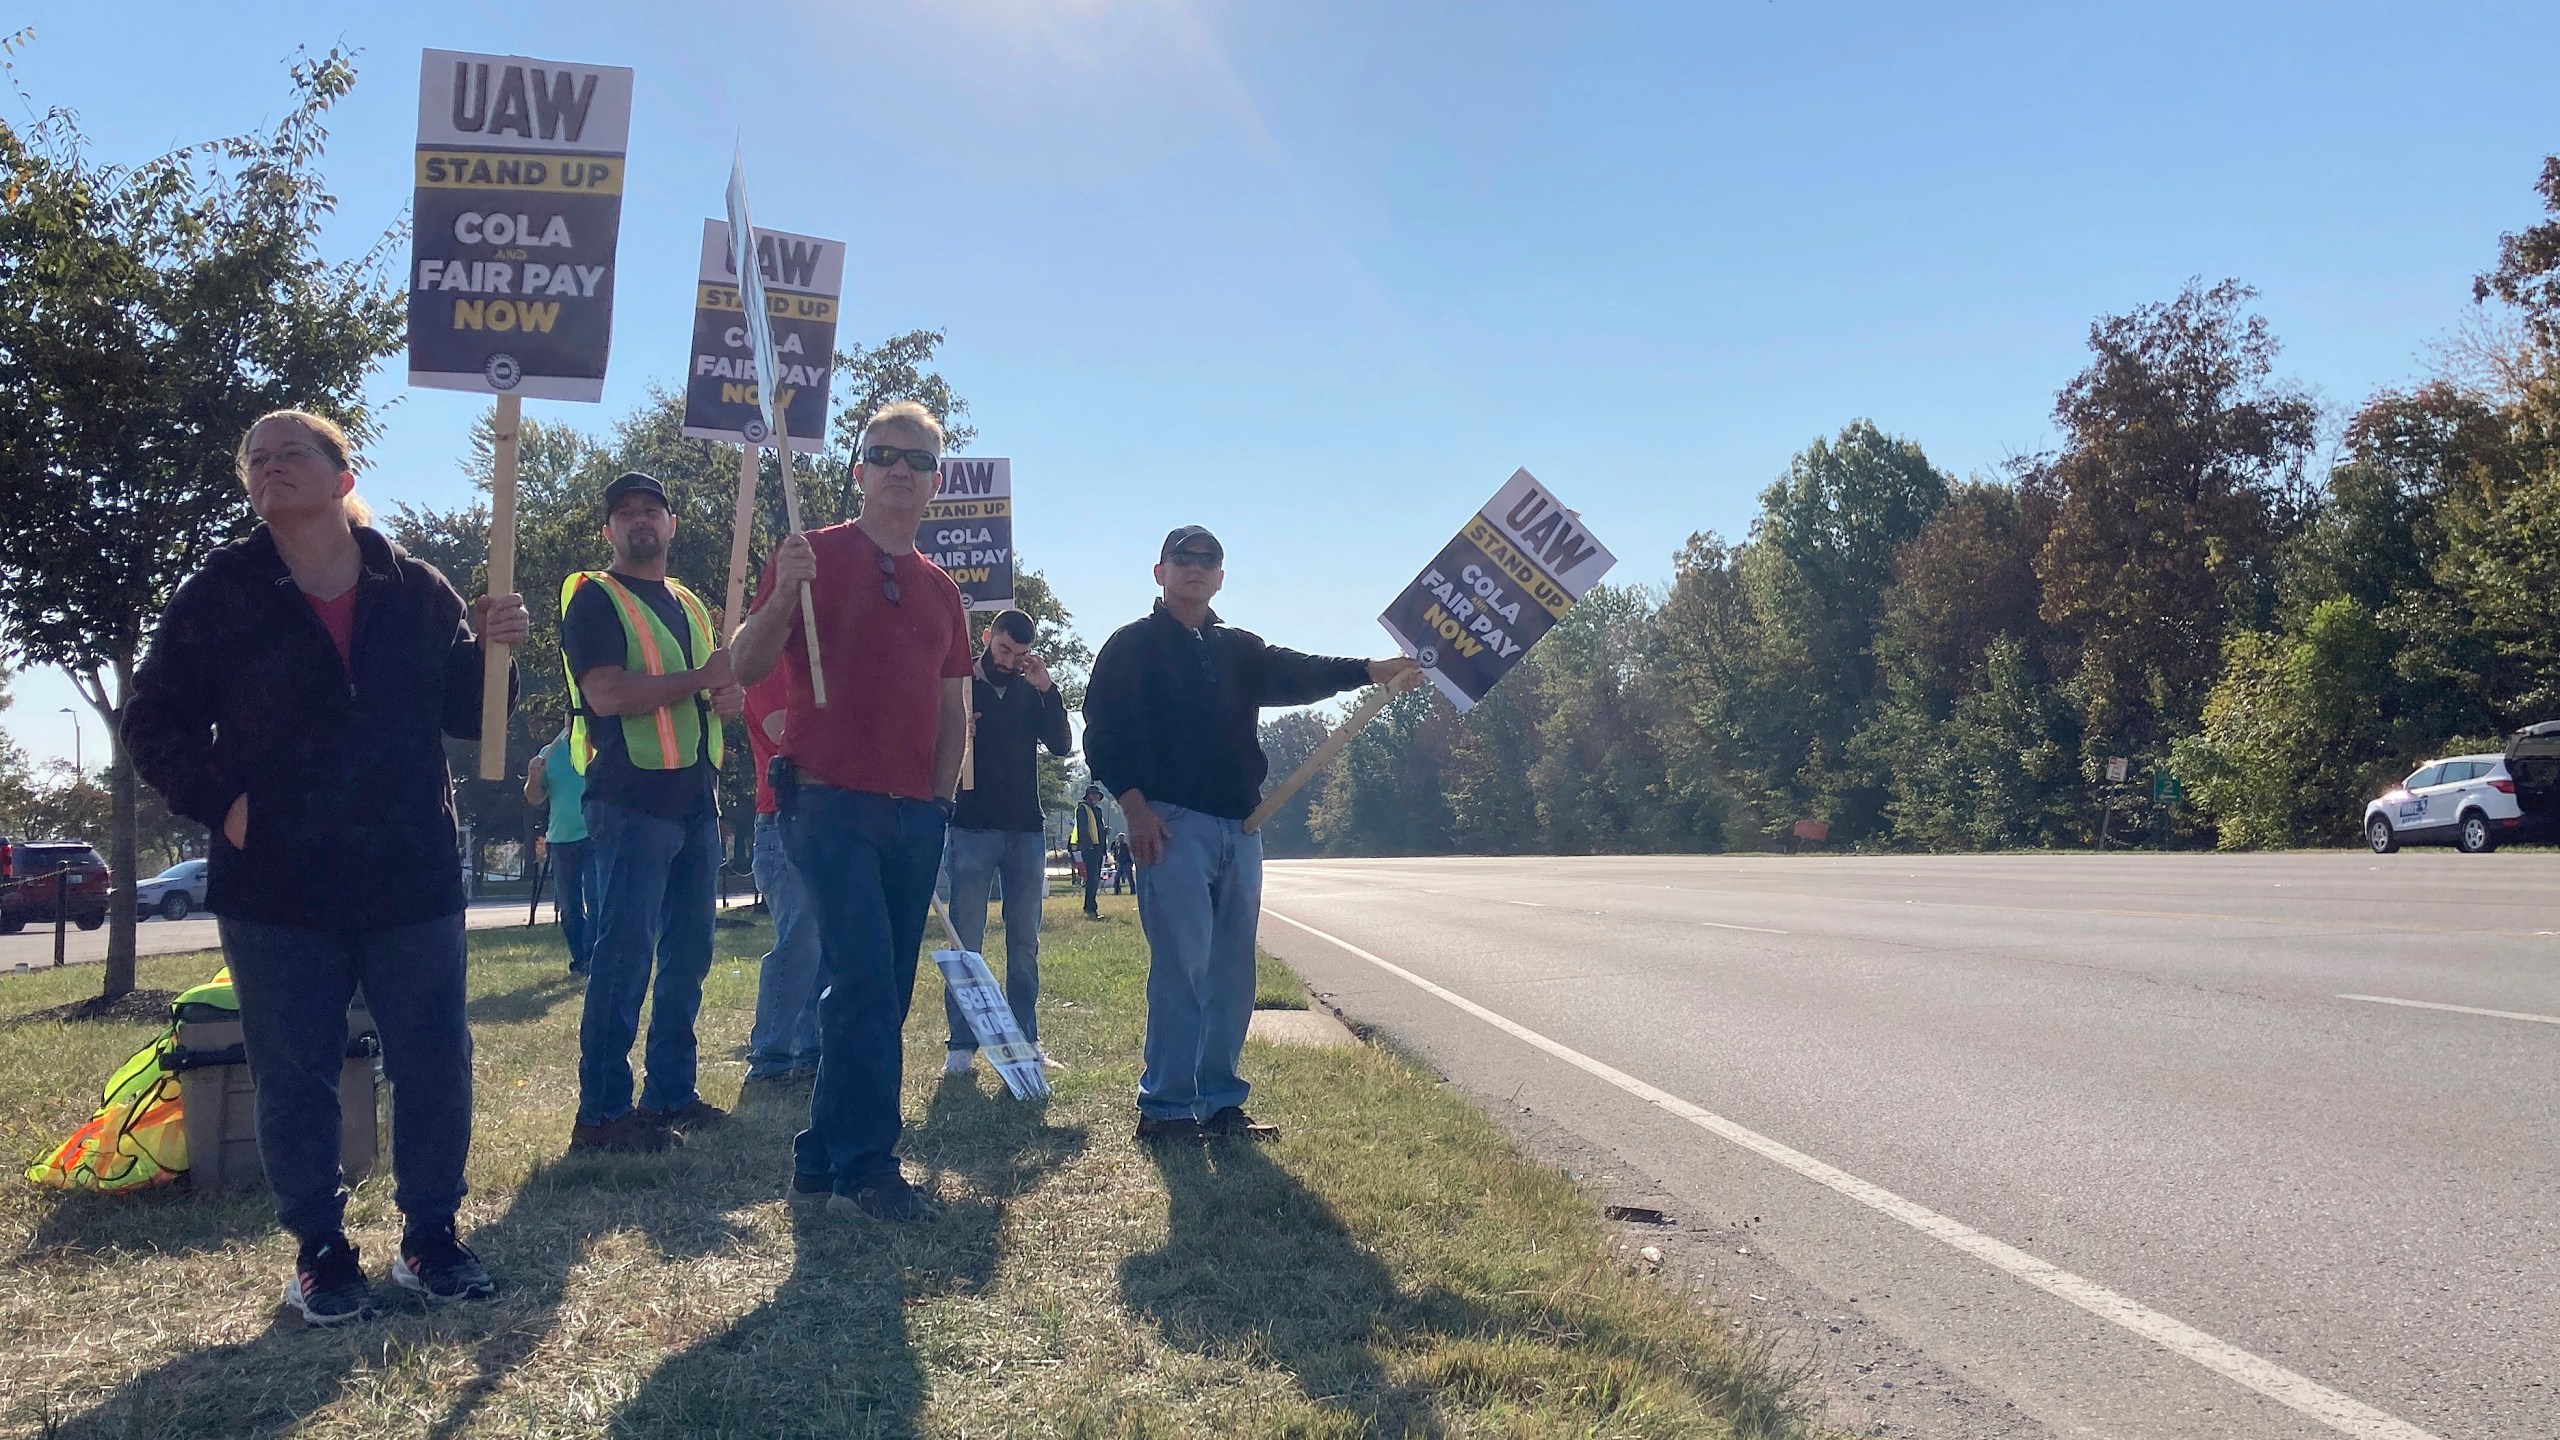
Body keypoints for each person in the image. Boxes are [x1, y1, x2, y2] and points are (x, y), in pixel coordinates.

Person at [124, 409, 528, 1325]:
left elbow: (472, 714)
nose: (269, 468)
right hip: (277, 882)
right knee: (294, 1070)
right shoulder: (220, 592)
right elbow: (155, 721)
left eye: (290, 452)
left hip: (407, 869)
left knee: (433, 1060)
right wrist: (223, 804)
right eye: (254, 459)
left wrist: (501, 650)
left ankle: (432, 1238)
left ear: (344, 477)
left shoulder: (418, 589)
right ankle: (320, 1249)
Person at [1082, 526, 1417, 1144]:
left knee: (1233, 971)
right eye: (1182, 559)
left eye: (1208, 561)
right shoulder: (1130, 647)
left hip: (1242, 825)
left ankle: (1220, 1102)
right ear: (1159, 572)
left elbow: (1298, 673)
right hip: (1170, 824)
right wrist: (1134, 807)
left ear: (1221, 578)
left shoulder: (1238, 648)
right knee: (1182, 967)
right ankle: (1165, 1109)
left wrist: (1372, 669)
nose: (1195, 568)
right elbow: (1101, 734)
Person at [732, 400, 972, 1223]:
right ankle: (868, 1168)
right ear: (859, 469)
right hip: (828, 803)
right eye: (884, 455)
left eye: (917, 459)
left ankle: (818, 1157)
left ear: (935, 481)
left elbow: (953, 709)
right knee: (864, 977)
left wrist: (941, 800)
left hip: (915, 815)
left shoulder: (943, 592)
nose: (900, 469)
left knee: (882, 991)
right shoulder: (810, 555)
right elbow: (743, 664)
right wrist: (778, 597)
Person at [560, 471, 744, 1156]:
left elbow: (710, 690)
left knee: (688, 957)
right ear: (609, 531)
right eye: (626, 513)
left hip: (694, 803)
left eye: (652, 510)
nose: (641, 521)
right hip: (630, 803)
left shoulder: (690, 604)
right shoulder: (595, 599)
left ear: (672, 525)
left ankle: (671, 1093)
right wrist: (702, 681)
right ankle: (602, 1112)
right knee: (623, 958)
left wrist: (726, 698)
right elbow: (606, 694)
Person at [942, 608, 1073, 1078]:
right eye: (1003, 650)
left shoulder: (1030, 690)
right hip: (972, 826)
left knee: (1024, 942)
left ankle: (1026, 1037)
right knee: (966, 941)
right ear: (987, 637)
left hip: (1025, 829)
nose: (1010, 660)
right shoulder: (959, 684)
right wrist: (960, 731)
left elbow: (1061, 745)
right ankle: (961, 1044)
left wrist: (1048, 690)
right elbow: (933, 743)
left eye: (1020, 655)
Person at [742, 667, 821, 1087]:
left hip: (824, 818)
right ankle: (770, 1057)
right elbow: (785, 733)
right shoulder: (769, 664)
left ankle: (812, 1050)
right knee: (799, 942)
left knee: (821, 942)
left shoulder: (819, 663)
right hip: (782, 819)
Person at [523, 720, 596, 976]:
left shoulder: (597, 747)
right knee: (569, 908)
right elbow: (534, 798)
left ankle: (594, 961)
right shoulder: (549, 753)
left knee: (597, 902)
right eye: (570, 717)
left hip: (595, 836)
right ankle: (581, 960)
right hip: (561, 841)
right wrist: (533, 776)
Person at [1073, 784, 1110, 917]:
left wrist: (1104, 831)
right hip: (1090, 848)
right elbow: (1083, 829)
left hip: (1099, 848)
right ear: (1087, 796)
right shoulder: (1082, 809)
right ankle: (1090, 908)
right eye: (1092, 794)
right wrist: (1088, 845)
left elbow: (1098, 828)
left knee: (1095, 879)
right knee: (1092, 879)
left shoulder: (1098, 811)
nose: (1094, 797)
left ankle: (1091, 906)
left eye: (1097, 795)